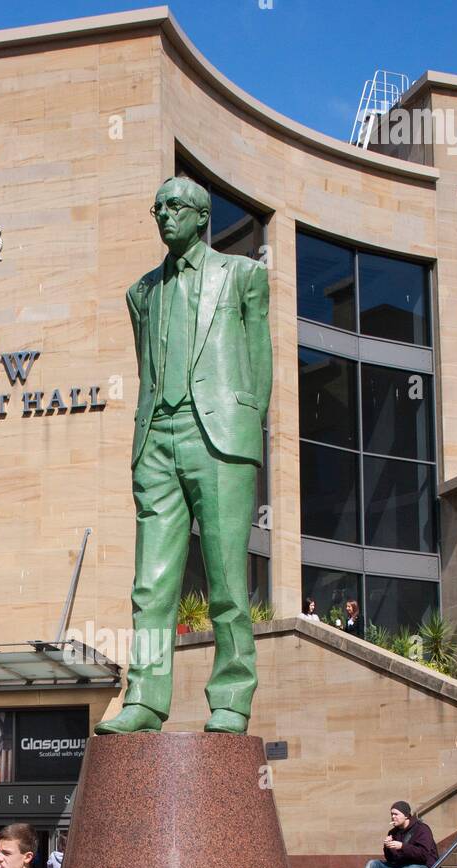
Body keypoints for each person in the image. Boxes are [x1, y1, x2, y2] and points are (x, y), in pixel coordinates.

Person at [94, 174, 271, 736]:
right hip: (157, 438)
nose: (165, 216)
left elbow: (260, 361)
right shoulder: (141, 292)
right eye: (158, 208)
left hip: (217, 439)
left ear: (202, 216)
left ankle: (232, 699)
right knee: (151, 585)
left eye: (177, 207)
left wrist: (245, 421)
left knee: (225, 581)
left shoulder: (241, 275)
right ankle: (145, 697)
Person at [361, 801, 438, 868]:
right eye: (391, 814)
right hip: (401, 867)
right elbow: (391, 859)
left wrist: (402, 846)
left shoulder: (422, 829)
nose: (393, 817)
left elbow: (423, 855)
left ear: (406, 815)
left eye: (396, 814)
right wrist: (388, 847)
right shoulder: (393, 832)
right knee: (372, 864)